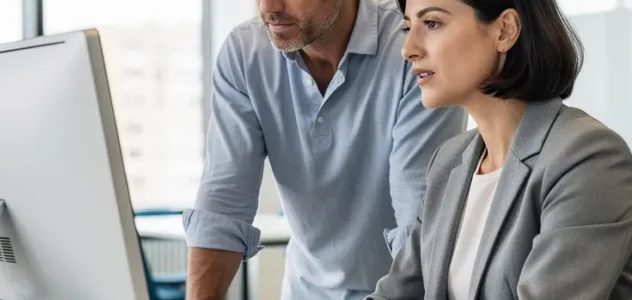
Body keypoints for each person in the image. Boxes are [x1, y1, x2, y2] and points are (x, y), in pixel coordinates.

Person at [367, 0, 632, 299]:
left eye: (433, 24)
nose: (408, 48)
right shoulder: (448, 162)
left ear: (505, 31)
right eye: (408, 27)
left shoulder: (588, 158)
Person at [183, 0, 467, 299]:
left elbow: (417, 216)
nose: (268, 7)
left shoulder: (414, 46)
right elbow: (224, 199)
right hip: (304, 289)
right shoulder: (245, 52)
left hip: (399, 290)